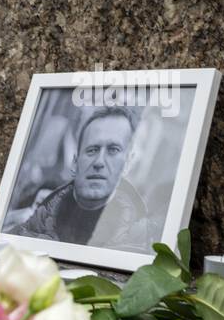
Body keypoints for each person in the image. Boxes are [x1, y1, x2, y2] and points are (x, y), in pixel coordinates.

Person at [14, 106, 154, 250]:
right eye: (92, 150)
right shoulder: (46, 202)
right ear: (76, 160)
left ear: (128, 162)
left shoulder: (137, 233)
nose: (99, 162)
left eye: (113, 150)